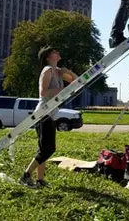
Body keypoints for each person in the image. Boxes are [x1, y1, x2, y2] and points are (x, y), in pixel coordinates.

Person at [20, 46, 78, 188]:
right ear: (47, 57)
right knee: (48, 149)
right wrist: (63, 90)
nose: (57, 52)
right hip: (43, 113)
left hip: (50, 114)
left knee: (43, 149)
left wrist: (68, 72)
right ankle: (25, 176)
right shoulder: (47, 70)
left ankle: (40, 180)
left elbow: (77, 82)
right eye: (54, 52)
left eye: (57, 51)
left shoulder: (58, 72)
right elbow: (43, 92)